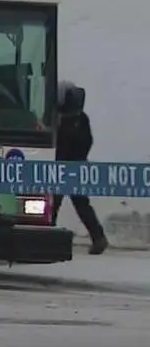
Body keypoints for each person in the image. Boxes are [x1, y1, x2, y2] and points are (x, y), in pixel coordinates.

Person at [53, 80, 108, 255]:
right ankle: (98, 237)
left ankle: (46, 236)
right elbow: (88, 141)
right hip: (75, 166)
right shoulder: (80, 118)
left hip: (62, 168)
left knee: (53, 204)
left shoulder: (60, 119)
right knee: (80, 205)